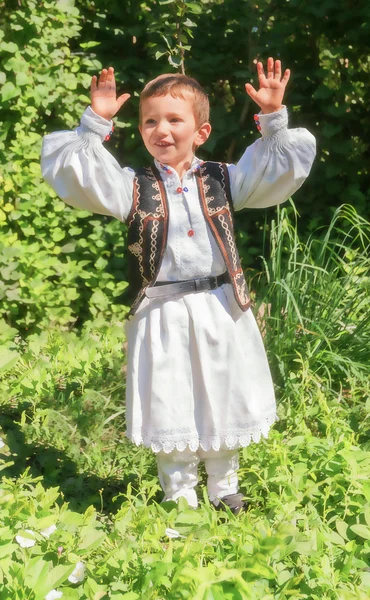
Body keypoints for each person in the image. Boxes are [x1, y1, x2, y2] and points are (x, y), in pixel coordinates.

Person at [41, 58, 316, 513]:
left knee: (223, 391)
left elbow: (276, 169)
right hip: (163, 312)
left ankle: (224, 487)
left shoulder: (225, 179)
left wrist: (272, 117)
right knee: (172, 395)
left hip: (221, 306)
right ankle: (180, 495)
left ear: (200, 132)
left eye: (174, 119)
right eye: (150, 120)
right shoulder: (131, 186)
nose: (161, 129)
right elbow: (80, 175)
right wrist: (95, 123)